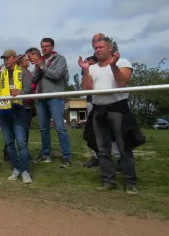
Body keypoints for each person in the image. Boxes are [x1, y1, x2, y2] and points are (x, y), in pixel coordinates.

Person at [79, 35, 143, 195]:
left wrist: (113, 66)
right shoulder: (92, 67)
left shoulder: (122, 63)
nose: (97, 50)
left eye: (100, 47)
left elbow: (122, 83)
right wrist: (86, 71)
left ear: (110, 48)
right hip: (99, 109)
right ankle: (108, 181)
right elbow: (86, 89)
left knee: (124, 147)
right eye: (95, 48)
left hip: (118, 109)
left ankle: (130, 182)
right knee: (103, 149)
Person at [27, 38, 71, 168]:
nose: (44, 48)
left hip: (55, 97)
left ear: (52, 47)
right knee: (44, 129)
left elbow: (57, 75)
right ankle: (45, 154)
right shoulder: (40, 62)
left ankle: (66, 156)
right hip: (41, 98)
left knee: (60, 127)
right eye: (42, 46)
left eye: (47, 46)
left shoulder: (60, 59)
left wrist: (42, 66)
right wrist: (37, 67)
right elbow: (33, 79)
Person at [0, 50, 33, 183]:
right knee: (9, 143)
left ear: (14, 58)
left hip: (18, 109)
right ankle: (15, 168)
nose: (5, 61)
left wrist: (21, 91)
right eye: (4, 59)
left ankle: (25, 171)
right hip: (3, 110)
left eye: (8, 58)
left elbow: (29, 88)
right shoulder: (1, 72)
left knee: (21, 142)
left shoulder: (23, 72)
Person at [17, 54, 36, 145]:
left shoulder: (27, 71)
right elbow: (27, 87)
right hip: (25, 104)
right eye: (25, 60)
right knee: (24, 129)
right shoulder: (23, 72)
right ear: (20, 64)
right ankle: (23, 150)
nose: (28, 61)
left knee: (23, 129)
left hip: (28, 103)